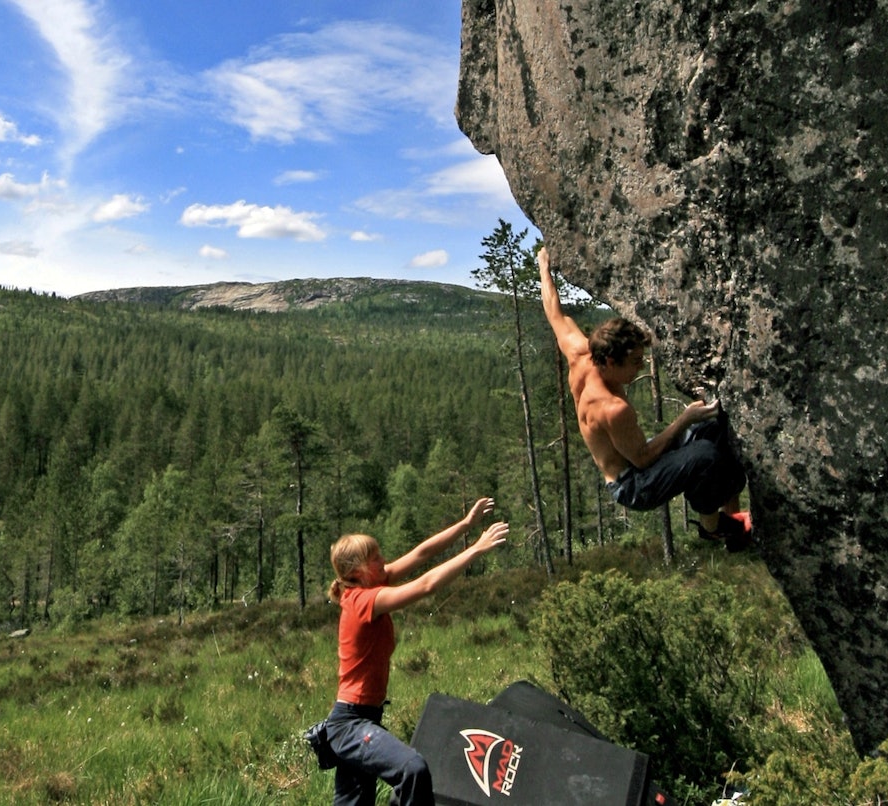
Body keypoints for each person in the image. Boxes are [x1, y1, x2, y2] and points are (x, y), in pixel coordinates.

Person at [537, 246, 751, 548]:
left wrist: (544, 267)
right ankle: (713, 529)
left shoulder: (580, 351)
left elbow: (553, 310)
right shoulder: (612, 408)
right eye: (635, 362)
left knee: (715, 430)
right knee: (705, 456)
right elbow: (642, 459)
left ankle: (734, 520)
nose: (641, 367)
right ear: (611, 361)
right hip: (634, 484)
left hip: (639, 458)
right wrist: (683, 419)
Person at [321, 497, 509, 806]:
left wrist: (464, 525)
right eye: (375, 556)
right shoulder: (362, 601)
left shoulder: (371, 582)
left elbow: (422, 553)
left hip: (363, 720)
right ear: (357, 570)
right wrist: (475, 549)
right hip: (350, 724)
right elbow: (425, 586)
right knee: (413, 769)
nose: (383, 559)